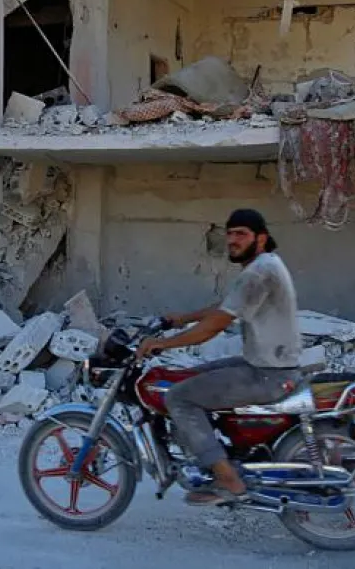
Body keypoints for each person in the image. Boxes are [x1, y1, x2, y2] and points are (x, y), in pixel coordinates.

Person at [135, 208, 302, 506]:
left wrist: (163, 344)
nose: (233, 240)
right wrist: (183, 318)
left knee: (179, 397)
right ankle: (215, 452)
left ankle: (227, 479)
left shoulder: (258, 273)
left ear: (261, 238)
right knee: (192, 377)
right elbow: (226, 307)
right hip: (264, 364)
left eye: (242, 234)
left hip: (268, 374)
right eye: (230, 233)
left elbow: (215, 326)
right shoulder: (264, 265)